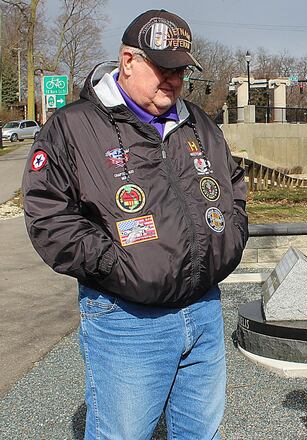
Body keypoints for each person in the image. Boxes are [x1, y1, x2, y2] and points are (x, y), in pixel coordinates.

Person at [21, 9, 248, 439]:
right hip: (128, 320)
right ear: (128, 61)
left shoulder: (197, 122)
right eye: (164, 68)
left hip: (203, 310)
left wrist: (230, 238)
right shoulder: (74, 126)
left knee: (201, 434)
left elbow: (233, 183)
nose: (175, 80)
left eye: (181, 69)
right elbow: (47, 214)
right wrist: (115, 265)